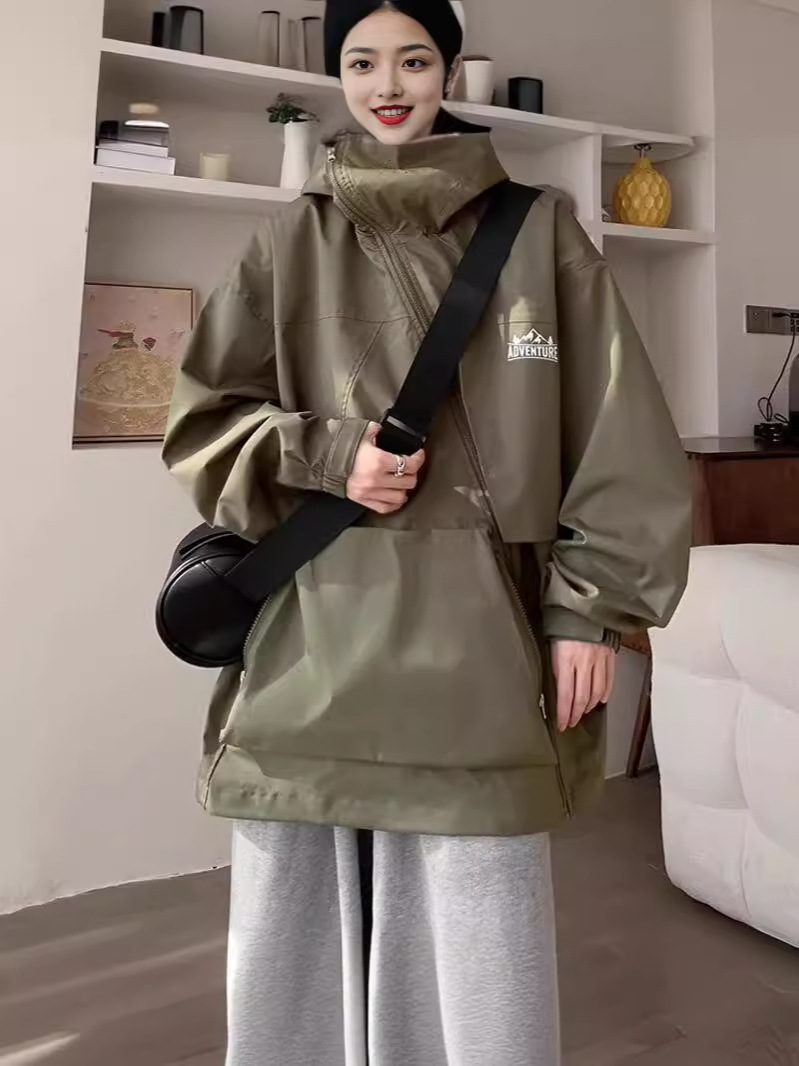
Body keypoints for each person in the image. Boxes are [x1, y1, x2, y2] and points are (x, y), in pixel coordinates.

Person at [162, 2, 692, 1063]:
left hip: (480, 646)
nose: (387, 84)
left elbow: (619, 430)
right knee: (292, 943)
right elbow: (201, 423)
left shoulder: (539, 231)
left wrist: (587, 609)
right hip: (312, 633)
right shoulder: (291, 238)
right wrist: (329, 455)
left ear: (449, 70)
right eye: (361, 61)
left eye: (412, 58)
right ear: (338, 77)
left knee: (477, 947)